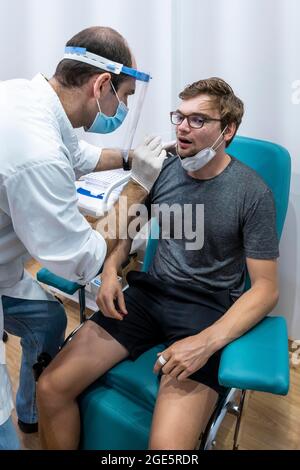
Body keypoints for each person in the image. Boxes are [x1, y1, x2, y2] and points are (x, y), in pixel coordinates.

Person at [37, 77, 279, 450]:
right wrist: (111, 271)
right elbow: (123, 234)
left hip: (207, 310)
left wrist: (206, 342)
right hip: (149, 295)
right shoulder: (163, 170)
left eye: (197, 120)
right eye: (179, 117)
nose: (182, 127)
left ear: (227, 130)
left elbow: (265, 289)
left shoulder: (252, 192)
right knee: (51, 388)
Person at [0, 26, 166, 434]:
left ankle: (31, 408)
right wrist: (139, 185)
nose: (122, 108)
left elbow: (77, 154)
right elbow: (83, 260)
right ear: (102, 84)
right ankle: (14, 419)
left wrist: (129, 158)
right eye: (124, 98)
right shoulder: (35, 150)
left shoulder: (24, 96)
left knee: (48, 320)